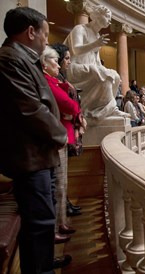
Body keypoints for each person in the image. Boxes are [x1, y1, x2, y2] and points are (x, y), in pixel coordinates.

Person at [0, 7, 69, 273]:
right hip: (30, 158)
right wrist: (61, 135)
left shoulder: (23, 58)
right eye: (45, 34)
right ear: (31, 32)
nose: (46, 40)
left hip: (38, 155)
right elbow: (30, 109)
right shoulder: (9, 59)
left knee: (42, 223)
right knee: (39, 226)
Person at [41, 46, 83, 246]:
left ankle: (62, 222)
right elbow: (70, 105)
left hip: (62, 135)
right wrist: (72, 106)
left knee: (62, 184)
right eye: (55, 61)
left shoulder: (56, 81)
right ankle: (57, 226)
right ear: (44, 64)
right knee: (58, 185)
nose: (59, 65)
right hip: (57, 136)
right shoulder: (47, 81)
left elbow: (72, 105)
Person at [64, 4, 126, 120]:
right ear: (97, 15)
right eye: (107, 16)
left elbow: (96, 61)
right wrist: (95, 44)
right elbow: (76, 50)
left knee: (115, 76)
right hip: (75, 67)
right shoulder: (80, 29)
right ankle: (100, 111)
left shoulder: (97, 35)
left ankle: (110, 109)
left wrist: (106, 70)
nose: (109, 20)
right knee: (102, 74)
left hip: (90, 68)